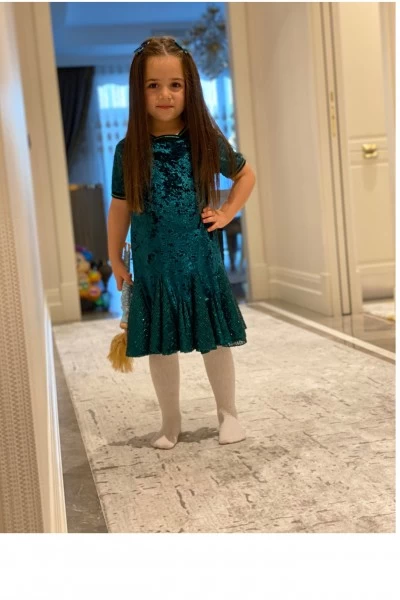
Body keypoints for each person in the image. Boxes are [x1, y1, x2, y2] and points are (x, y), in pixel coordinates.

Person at [107, 36, 256, 450]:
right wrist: (114, 257)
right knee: (160, 344)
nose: (165, 94)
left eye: (175, 85)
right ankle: (170, 420)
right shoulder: (127, 150)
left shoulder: (204, 139)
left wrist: (227, 213)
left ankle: (228, 413)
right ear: (138, 90)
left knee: (216, 339)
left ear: (189, 87)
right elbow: (119, 207)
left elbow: (245, 175)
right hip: (153, 264)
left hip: (199, 260)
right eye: (153, 85)